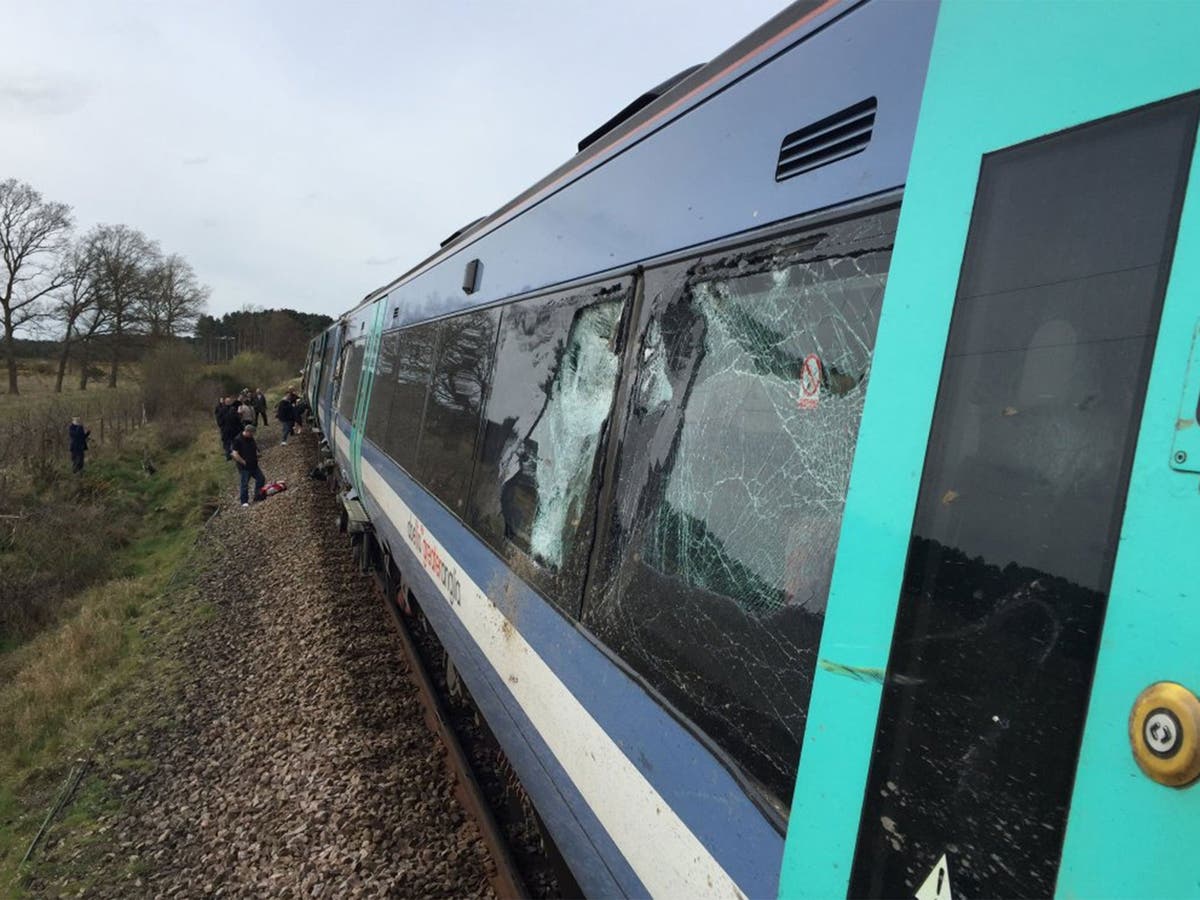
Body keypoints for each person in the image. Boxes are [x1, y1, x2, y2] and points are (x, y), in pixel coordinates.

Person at [230, 423, 266, 508]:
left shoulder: (251, 438)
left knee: (261, 478)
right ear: (247, 432)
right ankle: (244, 501)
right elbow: (234, 454)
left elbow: (254, 447)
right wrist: (243, 462)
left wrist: (257, 454)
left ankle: (258, 495)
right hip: (244, 467)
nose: (253, 435)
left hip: (254, 464)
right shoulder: (237, 440)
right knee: (244, 483)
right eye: (252, 433)